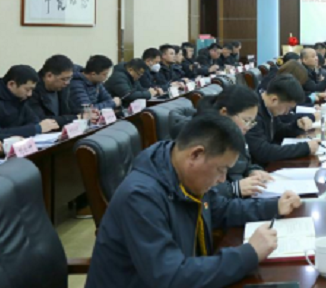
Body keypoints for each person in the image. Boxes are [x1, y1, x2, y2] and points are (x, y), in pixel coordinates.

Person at [85, 113, 302, 288]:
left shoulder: (181, 173)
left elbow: (221, 209)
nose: (222, 179)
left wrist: (273, 206)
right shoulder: (140, 197)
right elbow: (169, 276)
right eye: (221, 169)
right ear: (195, 155)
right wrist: (248, 254)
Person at [197, 86, 274, 199]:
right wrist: (234, 188)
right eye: (246, 120)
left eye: (252, 122)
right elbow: (201, 188)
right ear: (224, 112)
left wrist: (252, 170)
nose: (248, 127)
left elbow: (244, 162)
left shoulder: (235, 131)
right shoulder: (204, 137)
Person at [246, 74, 320, 165]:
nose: (287, 112)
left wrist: (297, 125)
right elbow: (262, 152)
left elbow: (278, 131)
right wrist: (305, 148)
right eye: (288, 108)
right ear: (274, 100)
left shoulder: (268, 108)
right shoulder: (252, 112)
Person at [0, 64, 58, 139]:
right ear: (11, 84)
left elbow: (34, 120)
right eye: (27, 89)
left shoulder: (20, 97)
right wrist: (35, 129)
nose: (30, 94)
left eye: (32, 90)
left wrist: (35, 128)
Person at [26, 54, 79, 127]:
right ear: (49, 76)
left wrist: (84, 112)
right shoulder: (31, 91)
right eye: (64, 79)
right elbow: (42, 120)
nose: (67, 82)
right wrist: (75, 118)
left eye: (69, 78)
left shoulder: (62, 87)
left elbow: (71, 109)